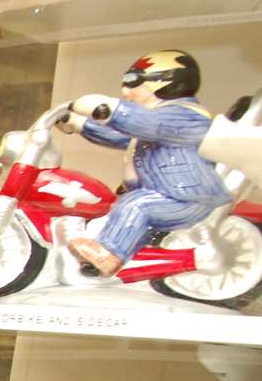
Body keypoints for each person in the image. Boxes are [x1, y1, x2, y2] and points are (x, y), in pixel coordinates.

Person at [60, 50, 229, 277]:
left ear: (164, 81)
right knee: (110, 210)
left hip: (183, 197)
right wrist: (79, 124)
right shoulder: (155, 117)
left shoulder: (186, 116)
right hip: (159, 193)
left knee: (137, 206)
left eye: (133, 81)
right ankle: (92, 263)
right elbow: (123, 137)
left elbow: (144, 123)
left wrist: (109, 109)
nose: (125, 90)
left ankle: (108, 257)